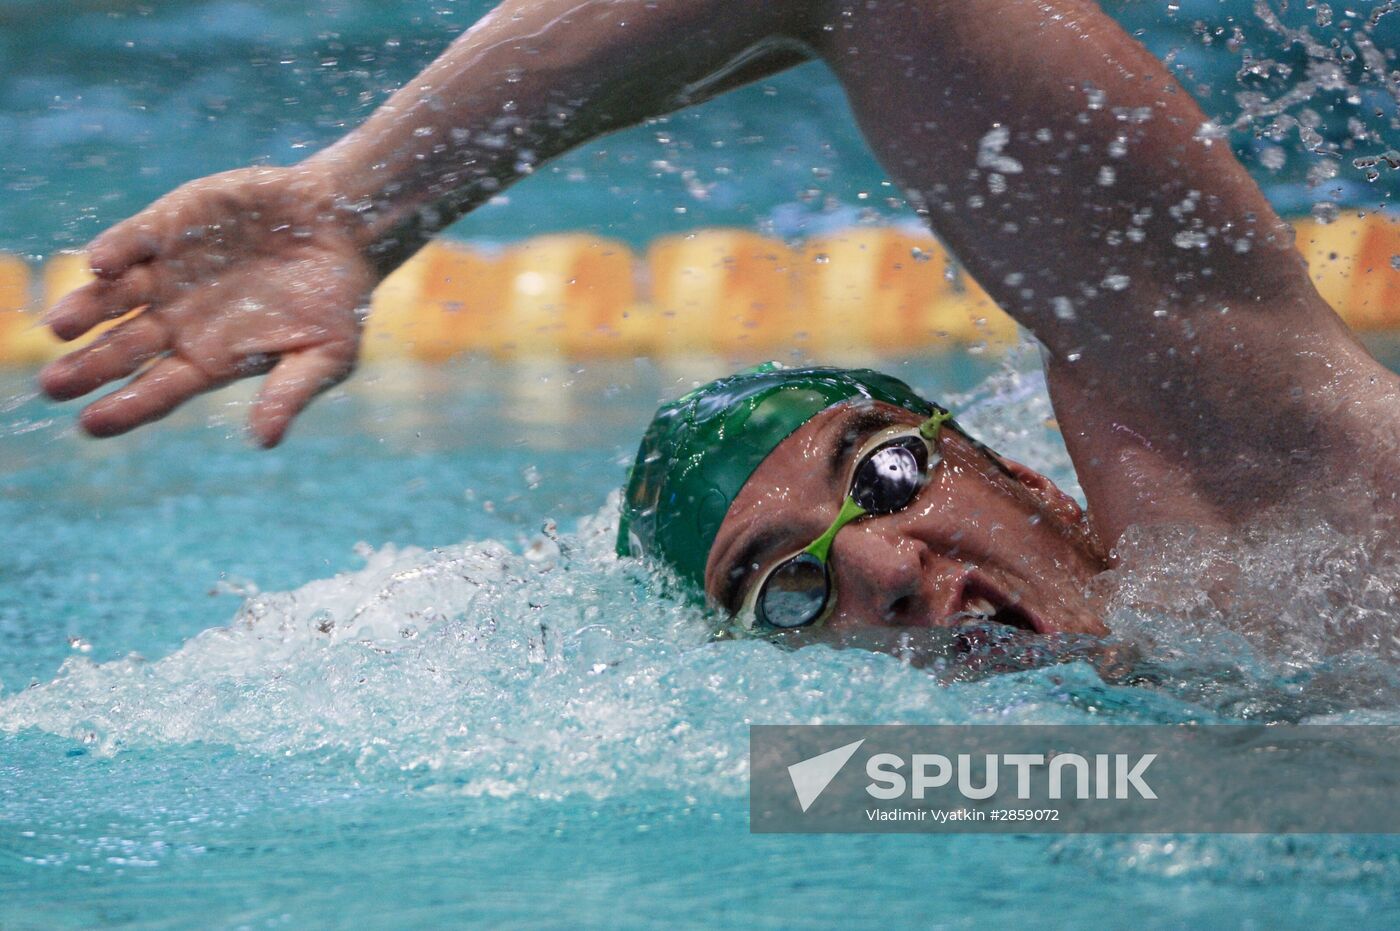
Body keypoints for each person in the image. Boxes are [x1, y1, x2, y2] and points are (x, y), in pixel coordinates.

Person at [36, 0, 1400, 640]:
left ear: (1028, 473)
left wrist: (363, 201)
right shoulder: (894, 802)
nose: (873, 570)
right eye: (783, 589)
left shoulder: (1290, 518)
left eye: (888, 470)